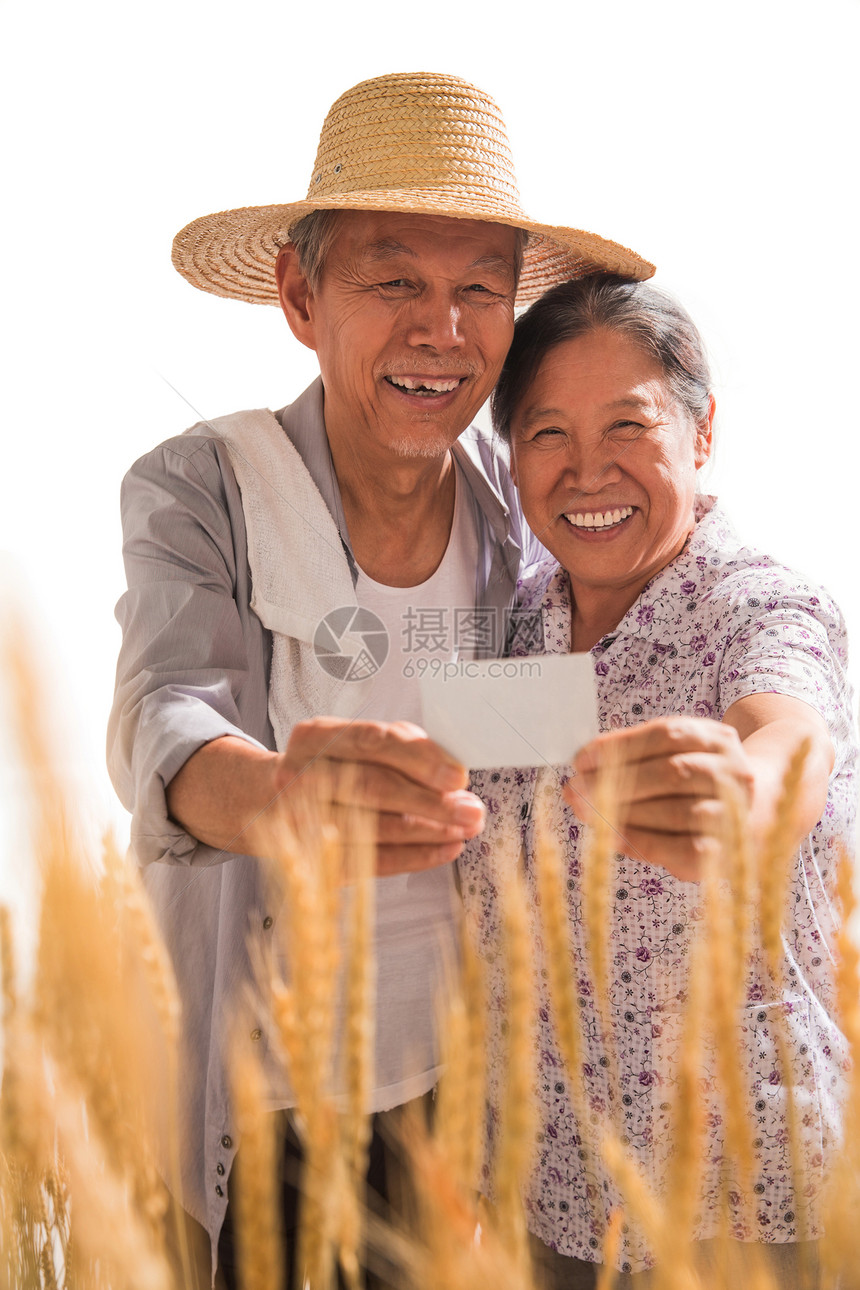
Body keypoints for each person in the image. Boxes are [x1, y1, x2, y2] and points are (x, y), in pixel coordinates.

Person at [106, 74, 654, 1286]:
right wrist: (274, 798)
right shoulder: (205, 485)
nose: (440, 331)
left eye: (478, 291)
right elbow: (163, 709)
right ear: (302, 299)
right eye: (393, 280)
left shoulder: (525, 508)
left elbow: (626, 640)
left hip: (452, 1098)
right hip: (253, 1109)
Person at [460, 275, 856, 1287]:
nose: (586, 470)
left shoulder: (756, 608)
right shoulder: (504, 637)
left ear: (700, 431)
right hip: (550, 1210)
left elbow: (784, 743)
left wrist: (749, 795)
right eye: (546, 433)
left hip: (754, 1212)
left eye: (626, 426)